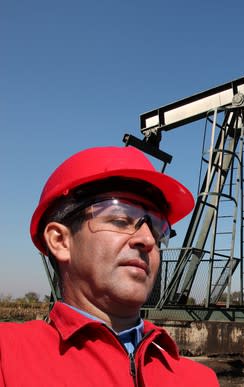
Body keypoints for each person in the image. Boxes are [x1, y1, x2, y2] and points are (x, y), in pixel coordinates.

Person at [0, 146, 219, 386]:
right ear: (61, 241)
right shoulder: (8, 358)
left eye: (157, 230)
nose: (147, 240)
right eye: (119, 220)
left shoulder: (200, 379)